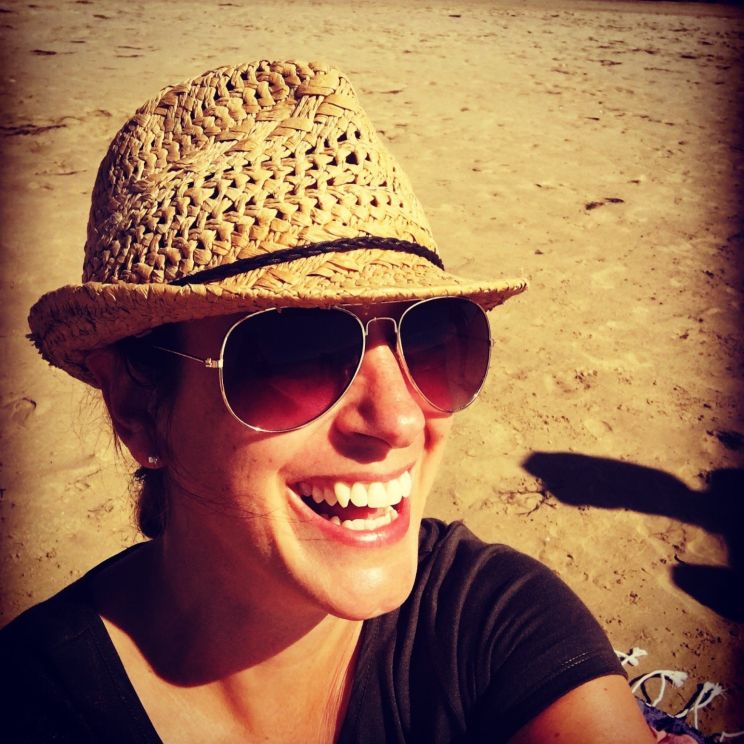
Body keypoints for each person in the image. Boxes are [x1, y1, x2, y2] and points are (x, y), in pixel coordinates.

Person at [0, 60, 654, 743]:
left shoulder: (491, 619)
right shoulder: (32, 704)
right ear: (136, 407)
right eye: (297, 350)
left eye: (429, 337)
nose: (401, 419)